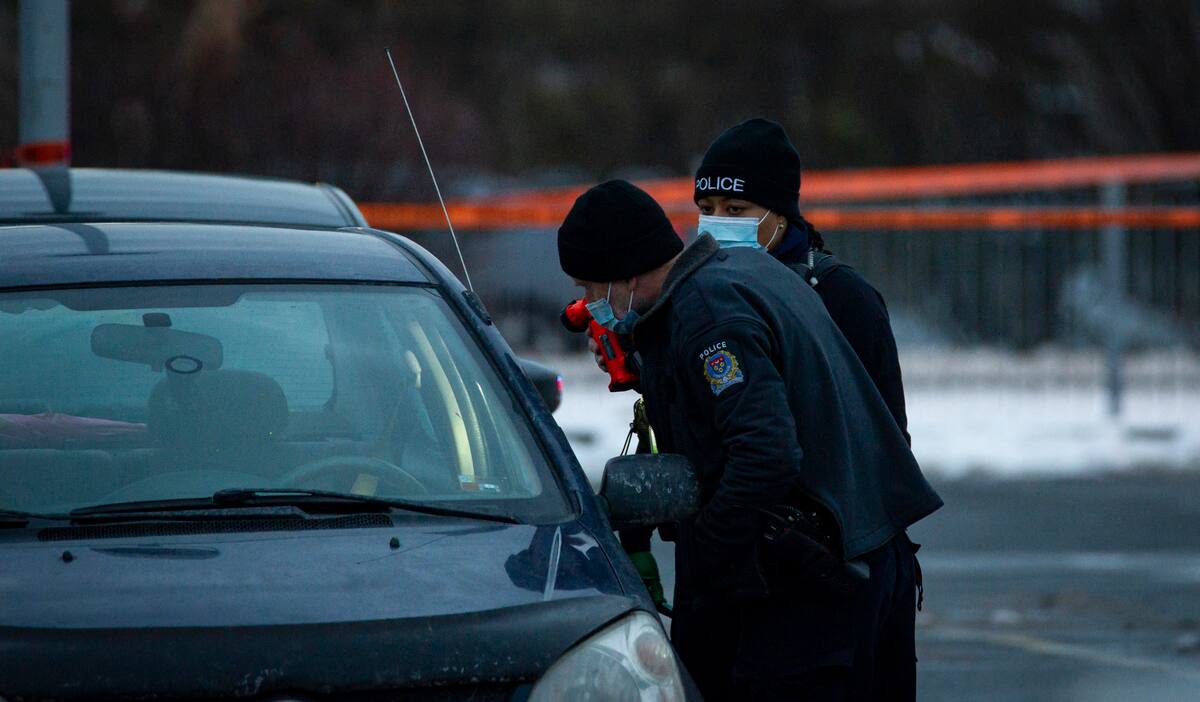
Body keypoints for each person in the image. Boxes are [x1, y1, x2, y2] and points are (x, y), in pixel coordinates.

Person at [557, 180, 942, 701]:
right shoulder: (736, 273)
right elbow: (743, 400)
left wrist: (709, 551)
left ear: (624, 272)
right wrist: (651, 364)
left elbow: (765, 451)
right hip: (865, 560)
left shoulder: (707, 315)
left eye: (589, 288)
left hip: (815, 587)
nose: (588, 304)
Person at [694, 118, 911, 444]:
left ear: (780, 215)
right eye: (706, 209)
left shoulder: (843, 297)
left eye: (735, 210)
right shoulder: (696, 293)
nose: (717, 223)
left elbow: (887, 439)